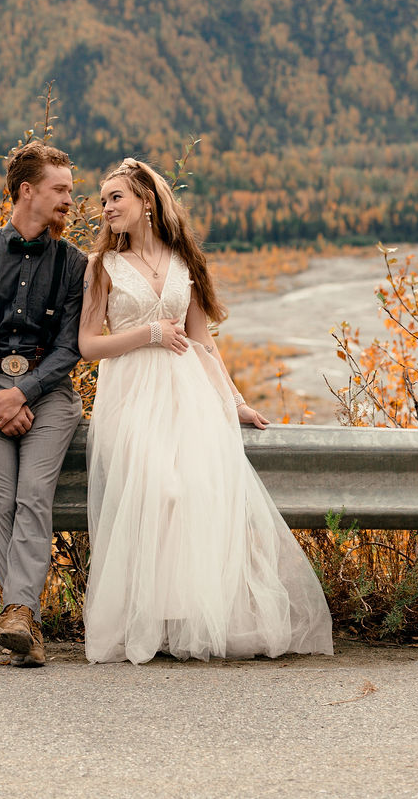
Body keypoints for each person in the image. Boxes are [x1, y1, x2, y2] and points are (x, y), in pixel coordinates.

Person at [79, 157, 333, 665]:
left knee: (197, 489)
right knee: (159, 487)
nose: (105, 208)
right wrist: (149, 333)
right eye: (103, 200)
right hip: (129, 395)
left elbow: (203, 342)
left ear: (145, 201)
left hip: (185, 393)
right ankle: (148, 617)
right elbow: (87, 345)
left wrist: (233, 400)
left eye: (115, 198)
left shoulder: (181, 262)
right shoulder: (100, 268)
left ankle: (185, 620)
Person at [0, 140, 86, 668]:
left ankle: (17, 613)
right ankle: (23, 622)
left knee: (32, 494)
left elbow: (70, 347)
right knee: (0, 499)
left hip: (49, 397)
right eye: (61, 189)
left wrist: (21, 393)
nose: (70, 199)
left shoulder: (74, 264)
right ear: (28, 191)